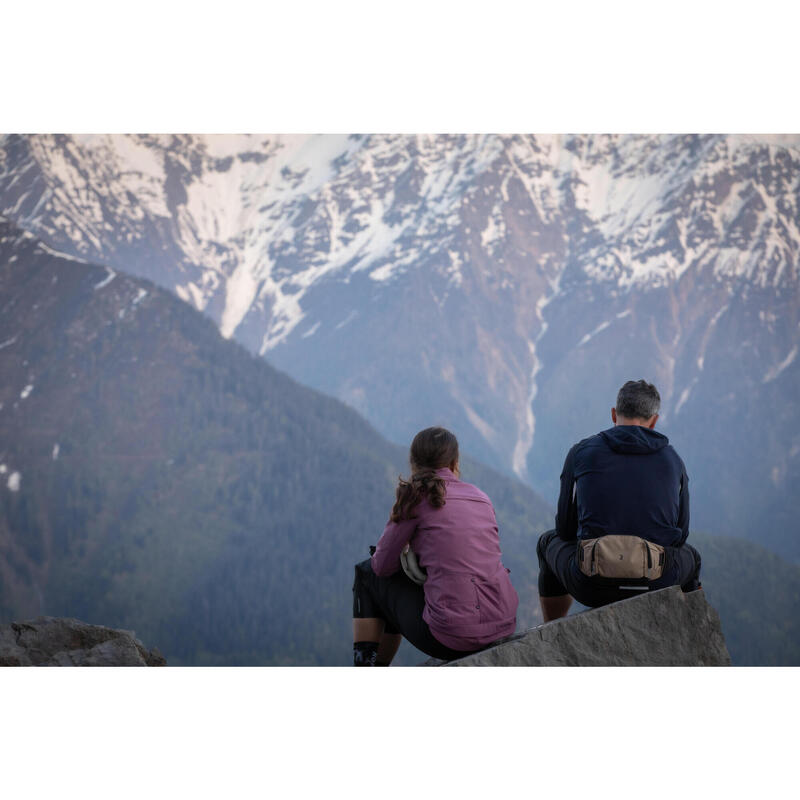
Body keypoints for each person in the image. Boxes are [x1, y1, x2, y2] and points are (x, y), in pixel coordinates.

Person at [537, 379, 702, 622]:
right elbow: (682, 534)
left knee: (547, 541)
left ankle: (550, 631)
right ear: (654, 421)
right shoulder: (673, 460)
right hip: (656, 582)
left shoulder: (581, 452)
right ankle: (691, 634)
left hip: (592, 585)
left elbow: (565, 528)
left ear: (614, 414)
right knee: (693, 557)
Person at [352, 426, 519, 665]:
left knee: (367, 573)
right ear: (454, 462)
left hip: (452, 637)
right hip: (503, 623)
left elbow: (381, 566)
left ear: (413, 462)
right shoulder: (481, 497)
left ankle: (368, 669)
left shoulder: (414, 498)